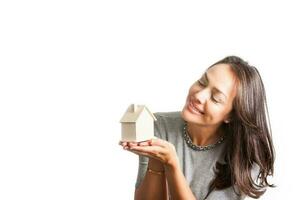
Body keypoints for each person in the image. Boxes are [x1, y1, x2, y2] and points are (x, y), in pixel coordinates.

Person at [119, 56, 275, 200]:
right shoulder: (158, 125)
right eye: (202, 82)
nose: (199, 96)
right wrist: (157, 161)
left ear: (232, 116)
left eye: (215, 98)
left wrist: (171, 163)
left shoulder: (245, 158)